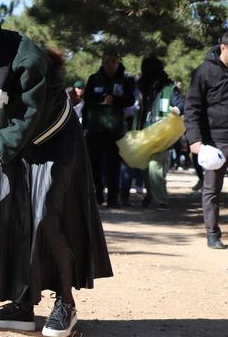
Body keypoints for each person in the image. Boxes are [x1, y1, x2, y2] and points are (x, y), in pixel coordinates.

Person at [0, 0, 113, 337]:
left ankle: (64, 303)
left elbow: (27, 121)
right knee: (11, 214)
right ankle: (21, 304)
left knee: (46, 215)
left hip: (53, 139)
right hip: (12, 144)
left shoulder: (29, 59)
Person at [184, 32, 228, 249]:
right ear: (223, 48)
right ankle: (212, 233)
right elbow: (192, 108)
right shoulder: (204, 72)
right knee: (211, 188)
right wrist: (195, 140)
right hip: (214, 141)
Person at [82, 49, 136, 207]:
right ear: (102, 63)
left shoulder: (125, 80)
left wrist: (115, 100)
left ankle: (113, 198)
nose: (110, 64)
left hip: (115, 129)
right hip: (95, 128)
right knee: (94, 165)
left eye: (113, 61)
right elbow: (87, 100)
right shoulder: (94, 78)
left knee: (114, 166)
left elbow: (130, 100)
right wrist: (84, 126)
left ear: (118, 63)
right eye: (107, 61)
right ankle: (98, 195)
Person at [134, 56, 184, 210]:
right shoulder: (141, 86)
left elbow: (181, 104)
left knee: (155, 165)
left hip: (161, 133)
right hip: (144, 132)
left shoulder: (169, 87)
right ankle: (151, 195)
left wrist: (175, 110)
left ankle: (161, 200)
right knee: (144, 167)